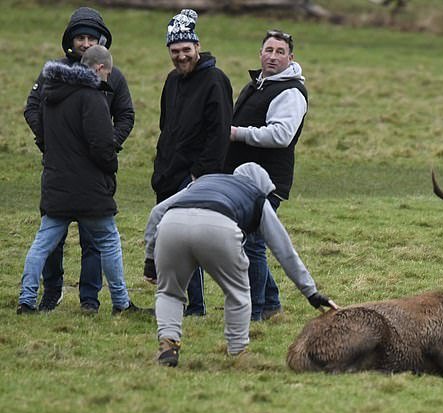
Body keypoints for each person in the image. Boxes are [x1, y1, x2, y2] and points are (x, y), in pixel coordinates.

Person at [143, 163, 337, 366]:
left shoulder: (202, 182)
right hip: (218, 227)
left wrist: (150, 261)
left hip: (172, 224)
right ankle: (237, 352)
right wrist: (311, 293)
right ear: (262, 186)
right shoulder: (257, 196)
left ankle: (169, 344)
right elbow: (284, 250)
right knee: (237, 293)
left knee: (169, 292)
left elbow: (157, 211)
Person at [17, 46, 150, 317]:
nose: (108, 78)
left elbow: (42, 131)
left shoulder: (51, 94)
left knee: (42, 244)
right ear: (99, 68)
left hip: (56, 186)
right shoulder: (92, 97)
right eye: (108, 73)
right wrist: (112, 166)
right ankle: (121, 303)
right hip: (91, 190)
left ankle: (26, 300)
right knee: (109, 241)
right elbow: (101, 145)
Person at [151, 9, 233, 317]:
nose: (181, 56)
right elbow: (165, 126)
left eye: (186, 50)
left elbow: (219, 134)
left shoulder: (215, 81)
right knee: (168, 244)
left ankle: (195, 306)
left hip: (194, 178)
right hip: (168, 174)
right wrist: (161, 167)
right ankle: (177, 302)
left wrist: (200, 175)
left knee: (187, 241)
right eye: (175, 51)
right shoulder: (172, 81)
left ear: (197, 47)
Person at [224, 29, 308, 322]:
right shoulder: (258, 84)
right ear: (260, 53)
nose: (272, 56)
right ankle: (270, 304)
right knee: (250, 241)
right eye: (268, 50)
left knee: (252, 244)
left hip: (267, 181)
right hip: (244, 179)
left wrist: (237, 133)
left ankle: (256, 312)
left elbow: (281, 135)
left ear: (290, 58)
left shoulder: (291, 92)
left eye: (279, 52)